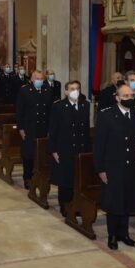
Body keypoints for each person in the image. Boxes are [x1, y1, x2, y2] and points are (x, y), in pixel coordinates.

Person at [93, 84, 135, 250]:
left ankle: (125, 234)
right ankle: (113, 236)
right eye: (125, 96)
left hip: (132, 165)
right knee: (114, 203)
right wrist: (100, 169)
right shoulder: (106, 115)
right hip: (114, 166)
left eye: (131, 96)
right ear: (117, 98)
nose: (129, 99)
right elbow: (99, 145)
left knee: (128, 201)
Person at [49, 81, 90, 216]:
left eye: (77, 88)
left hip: (80, 147)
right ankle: (65, 205)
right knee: (65, 179)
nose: (75, 91)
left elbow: (85, 128)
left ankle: (76, 204)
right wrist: (53, 150)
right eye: (72, 89)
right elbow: (53, 130)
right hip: (64, 147)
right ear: (66, 92)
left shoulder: (85, 105)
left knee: (78, 179)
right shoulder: (59, 106)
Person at [16, 70, 53, 189]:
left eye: (41, 79)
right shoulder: (25, 90)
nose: (39, 81)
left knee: (42, 153)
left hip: (43, 127)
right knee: (28, 154)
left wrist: (50, 128)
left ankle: (41, 175)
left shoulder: (47, 90)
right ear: (32, 79)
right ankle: (27, 177)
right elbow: (19, 111)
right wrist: (21, 128)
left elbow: (50, 111)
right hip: (29, 127)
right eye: (37, 78)